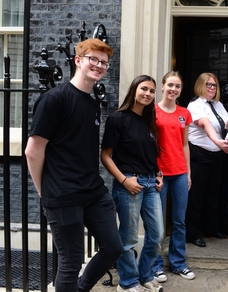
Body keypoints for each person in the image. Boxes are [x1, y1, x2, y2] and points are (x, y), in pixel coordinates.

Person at [25, 38, 123, 292]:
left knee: (113, 248)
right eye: (94, 59)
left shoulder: (92, 103)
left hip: (94, 192)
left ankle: (80, 289)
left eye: (104, 63)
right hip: (64, 194)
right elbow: (33, 151)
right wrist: (42, 189)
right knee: (70, 263)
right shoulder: (54, 99)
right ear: (78, 60)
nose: (99, 66)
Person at [101, 75, 164, 292]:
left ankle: (145, 275)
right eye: (144, 89)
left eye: (152, 91)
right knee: (128, 238)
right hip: (129, 183)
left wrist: (159, 173)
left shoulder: (149, 120)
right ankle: (128, 283)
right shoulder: (118, 119)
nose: (148, 94)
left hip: (150, 182)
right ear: (134, 90)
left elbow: (149, 153)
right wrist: (124, 180)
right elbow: (106, 156)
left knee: (156, 236)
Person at [152, 71, 196, 282]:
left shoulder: (184, 113)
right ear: (162, 86)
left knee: (179, 221)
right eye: (170, 85)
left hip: (179, 173)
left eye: (177, 86)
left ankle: (178, 263)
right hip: (159, 173)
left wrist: (188, 172)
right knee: (157, 223)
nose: (173, 89)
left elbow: (185, 144)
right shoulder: (151, 111)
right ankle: (155, 265)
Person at [186, 72, 228, 248]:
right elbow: (206, 124)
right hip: (200, 155)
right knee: (196, 196)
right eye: (208, 84)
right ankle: (193, 233)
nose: (212, 88)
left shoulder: (218, 104)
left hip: (217, 157)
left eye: (214, 85)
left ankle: (211, 228)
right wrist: (218, 142)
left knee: (214, 195)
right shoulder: (195, 105)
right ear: (200, 85)